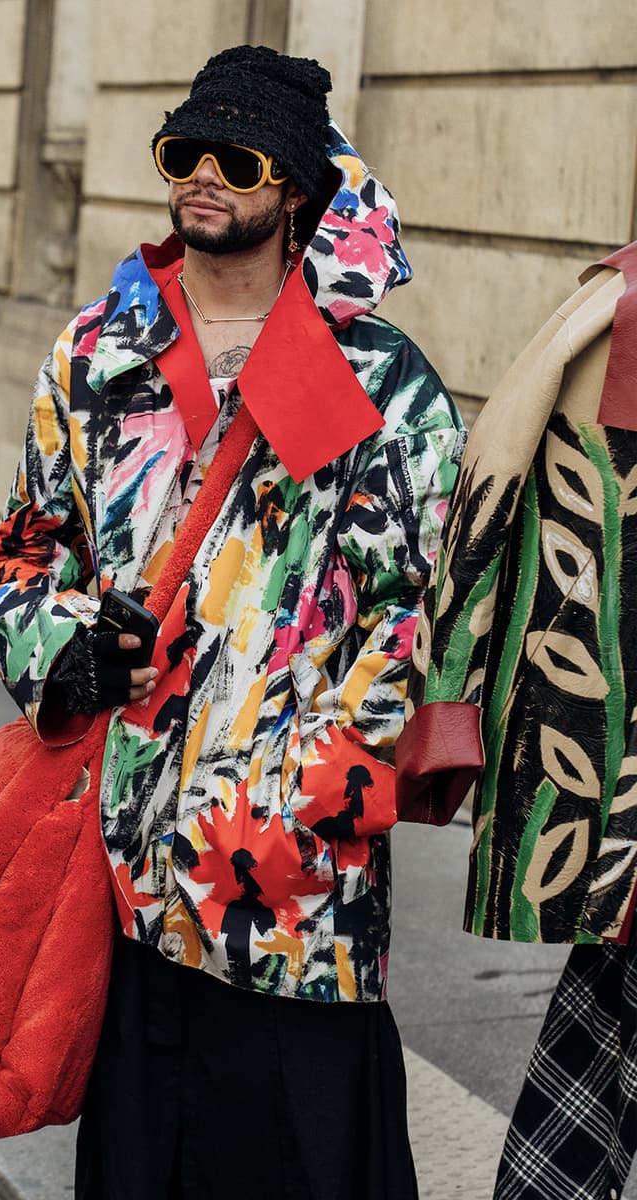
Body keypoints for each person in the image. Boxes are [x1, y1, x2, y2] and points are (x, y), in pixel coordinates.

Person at [0, 44, 465, 1200]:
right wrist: (56, 646)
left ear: (293, 188)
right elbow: (17, 551)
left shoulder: (379, 381)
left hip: (294, 897)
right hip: (130, 873)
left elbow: (416, 611)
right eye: (180, 152)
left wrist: (316, 792)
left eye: (233, 159)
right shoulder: (98, 355)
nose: (200, 177)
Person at [397, 243, 637, 1199]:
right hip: (608, 755)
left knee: (598, 1024)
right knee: (600, 1019)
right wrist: (448, 709)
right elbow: (488, 496)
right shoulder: (613, 317)